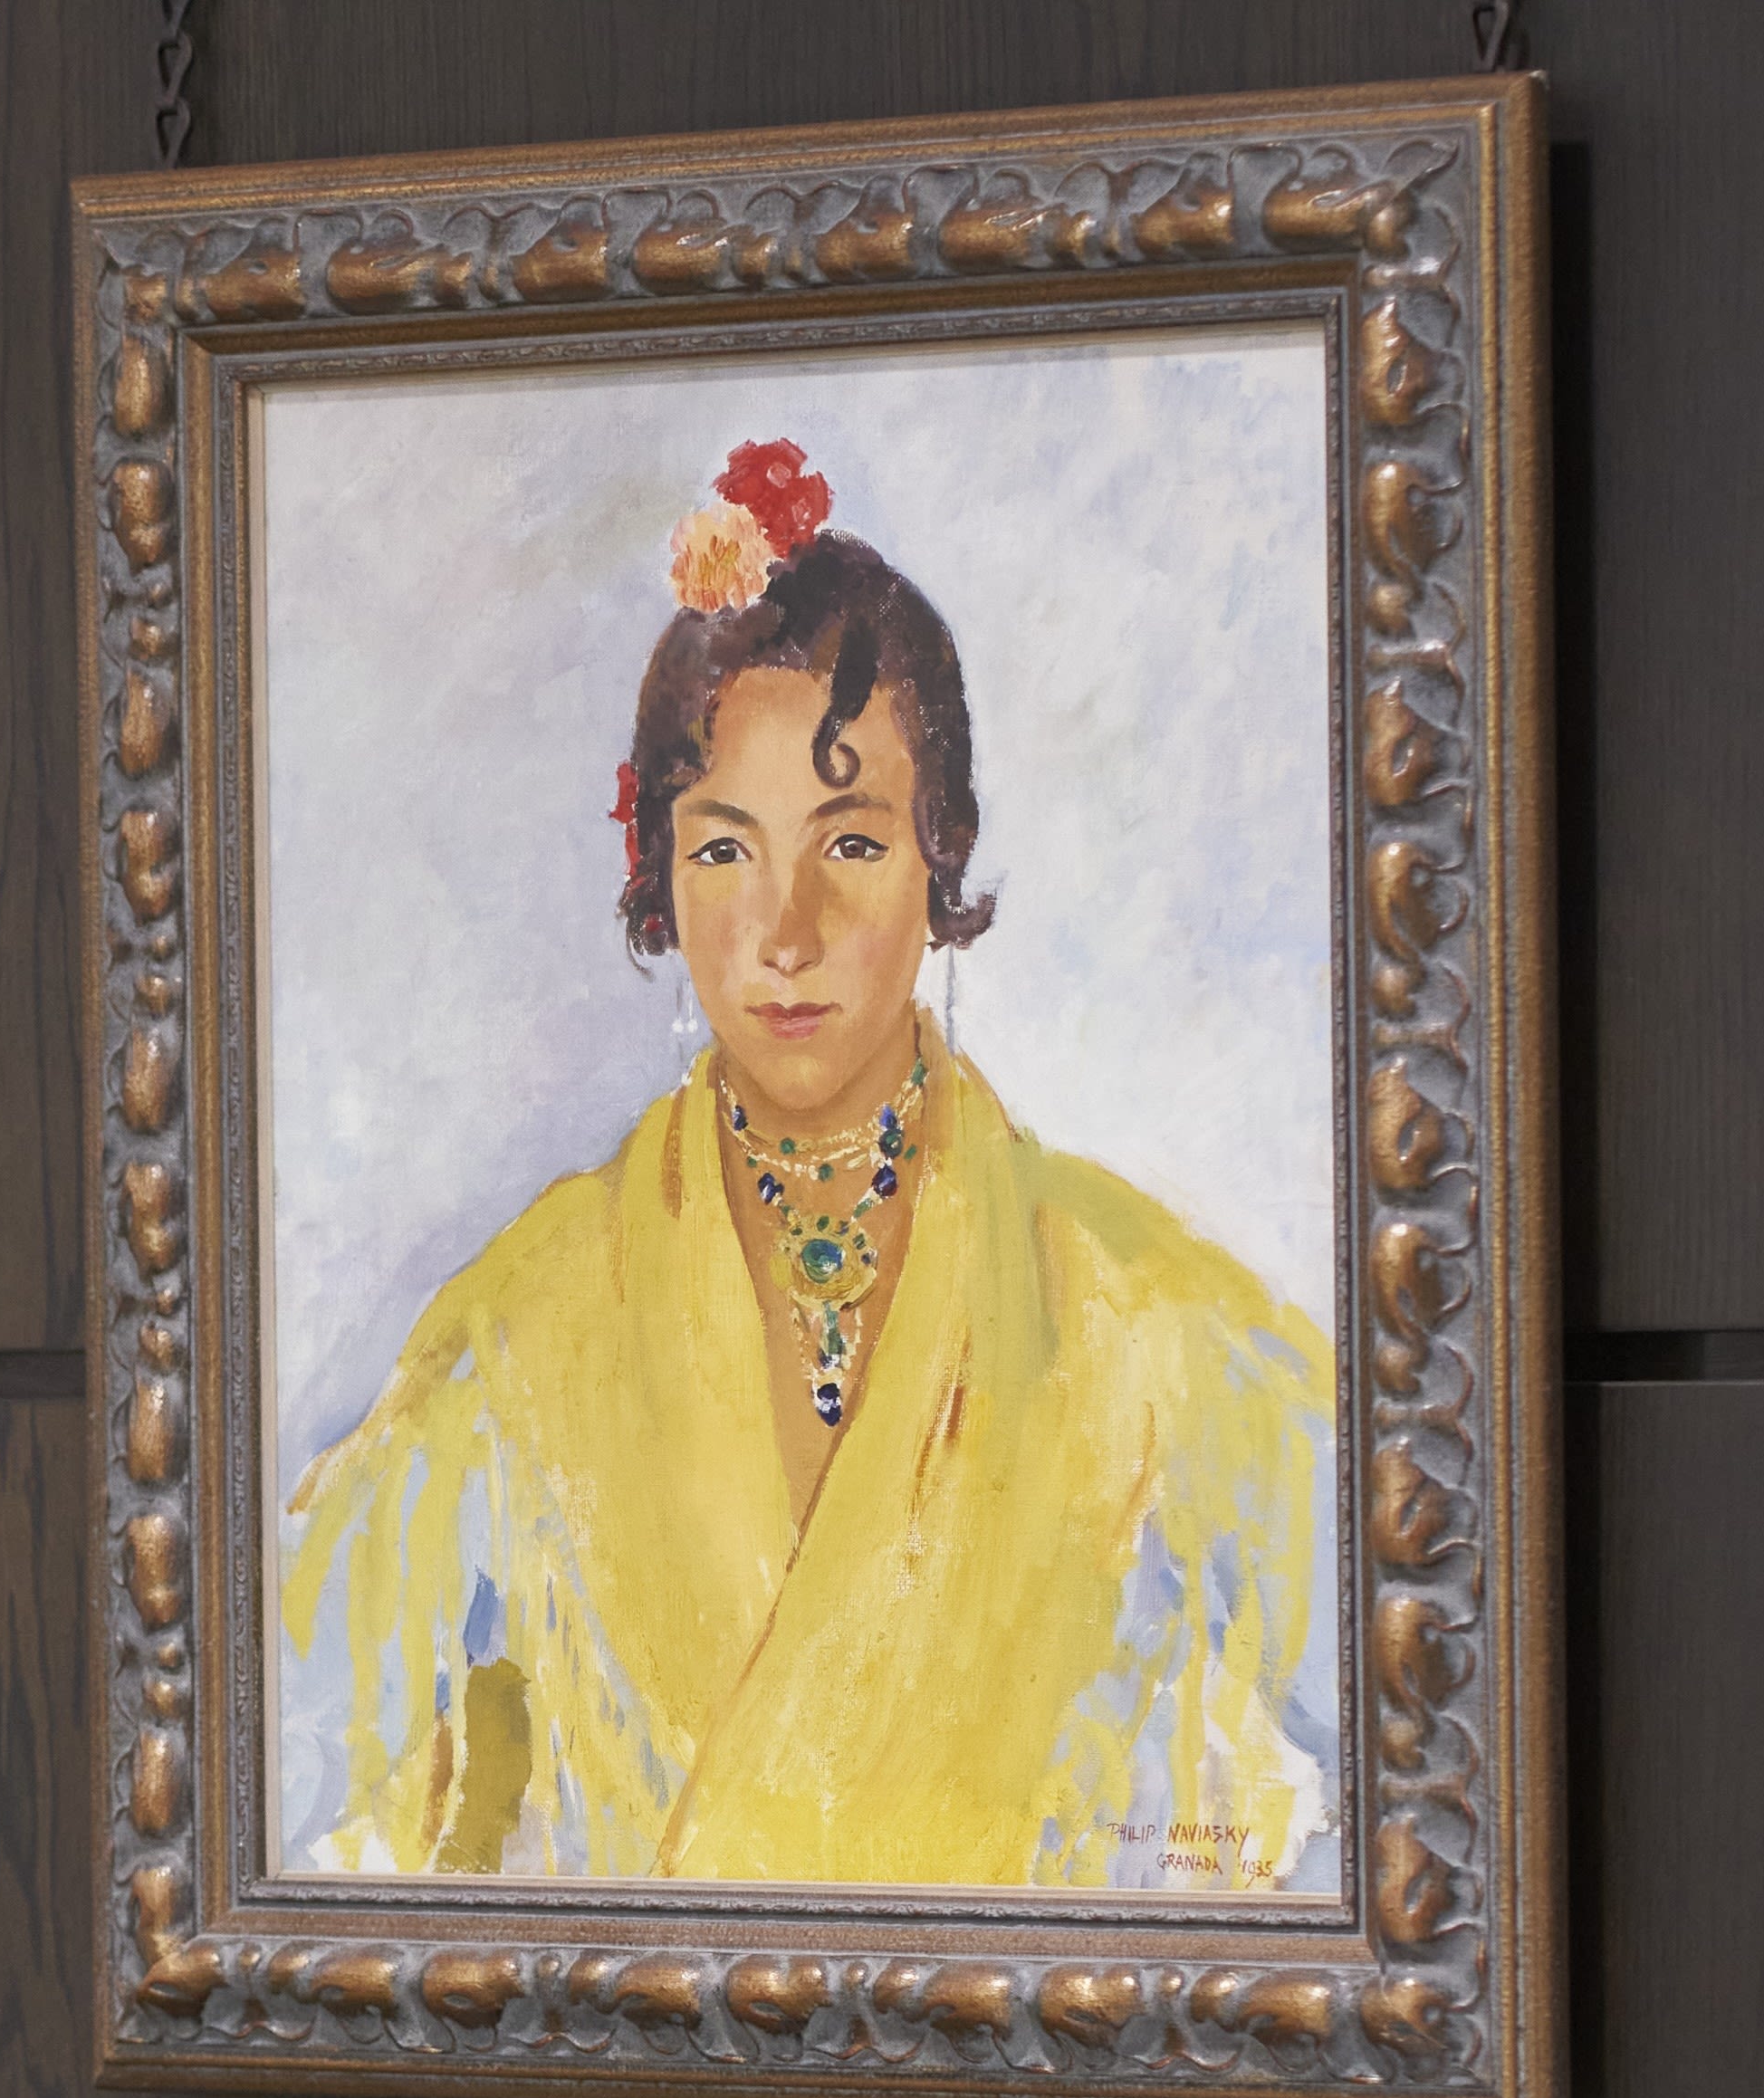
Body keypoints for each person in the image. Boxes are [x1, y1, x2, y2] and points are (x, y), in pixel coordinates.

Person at [279, 436, 1337, 1895]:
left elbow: (1403, 1746)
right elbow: (304, 1798)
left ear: (938, 859)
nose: (785, 927)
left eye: (850, 840)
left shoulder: (1149, 1325)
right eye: (725, 852)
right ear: (660, 869)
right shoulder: (522, 1331)